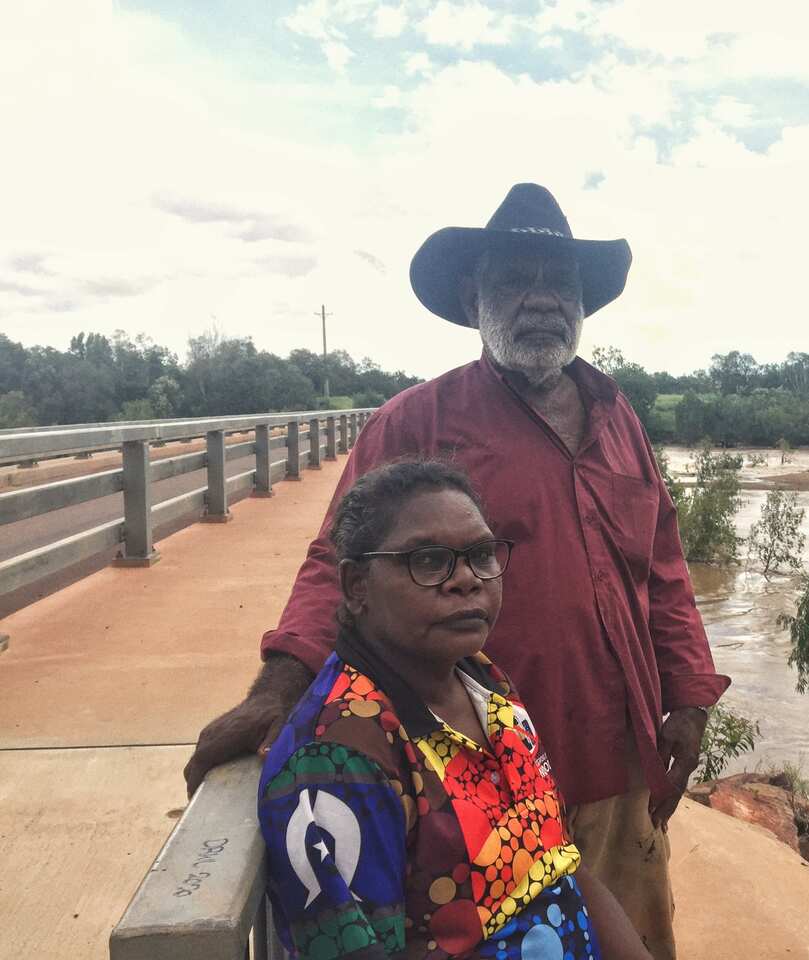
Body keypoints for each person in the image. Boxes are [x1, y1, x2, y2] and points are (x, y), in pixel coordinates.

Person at [188, 183, 730, 959]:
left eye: (561, 283)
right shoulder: (418, 421)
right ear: (475, 297)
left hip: (616, 762)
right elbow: (334, 561)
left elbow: (666, 571)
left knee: (622, 933)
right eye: (517, 280)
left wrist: (688, 698)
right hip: (471, 772)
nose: (542, 300)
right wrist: (277, 688)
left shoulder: (620, 419)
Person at [259, 459, 652, 959]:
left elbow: (561, 866)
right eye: (429, 560)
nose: (466, 579)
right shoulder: (339, 759)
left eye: (481, 555)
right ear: (357, 586)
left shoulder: (486, 682)